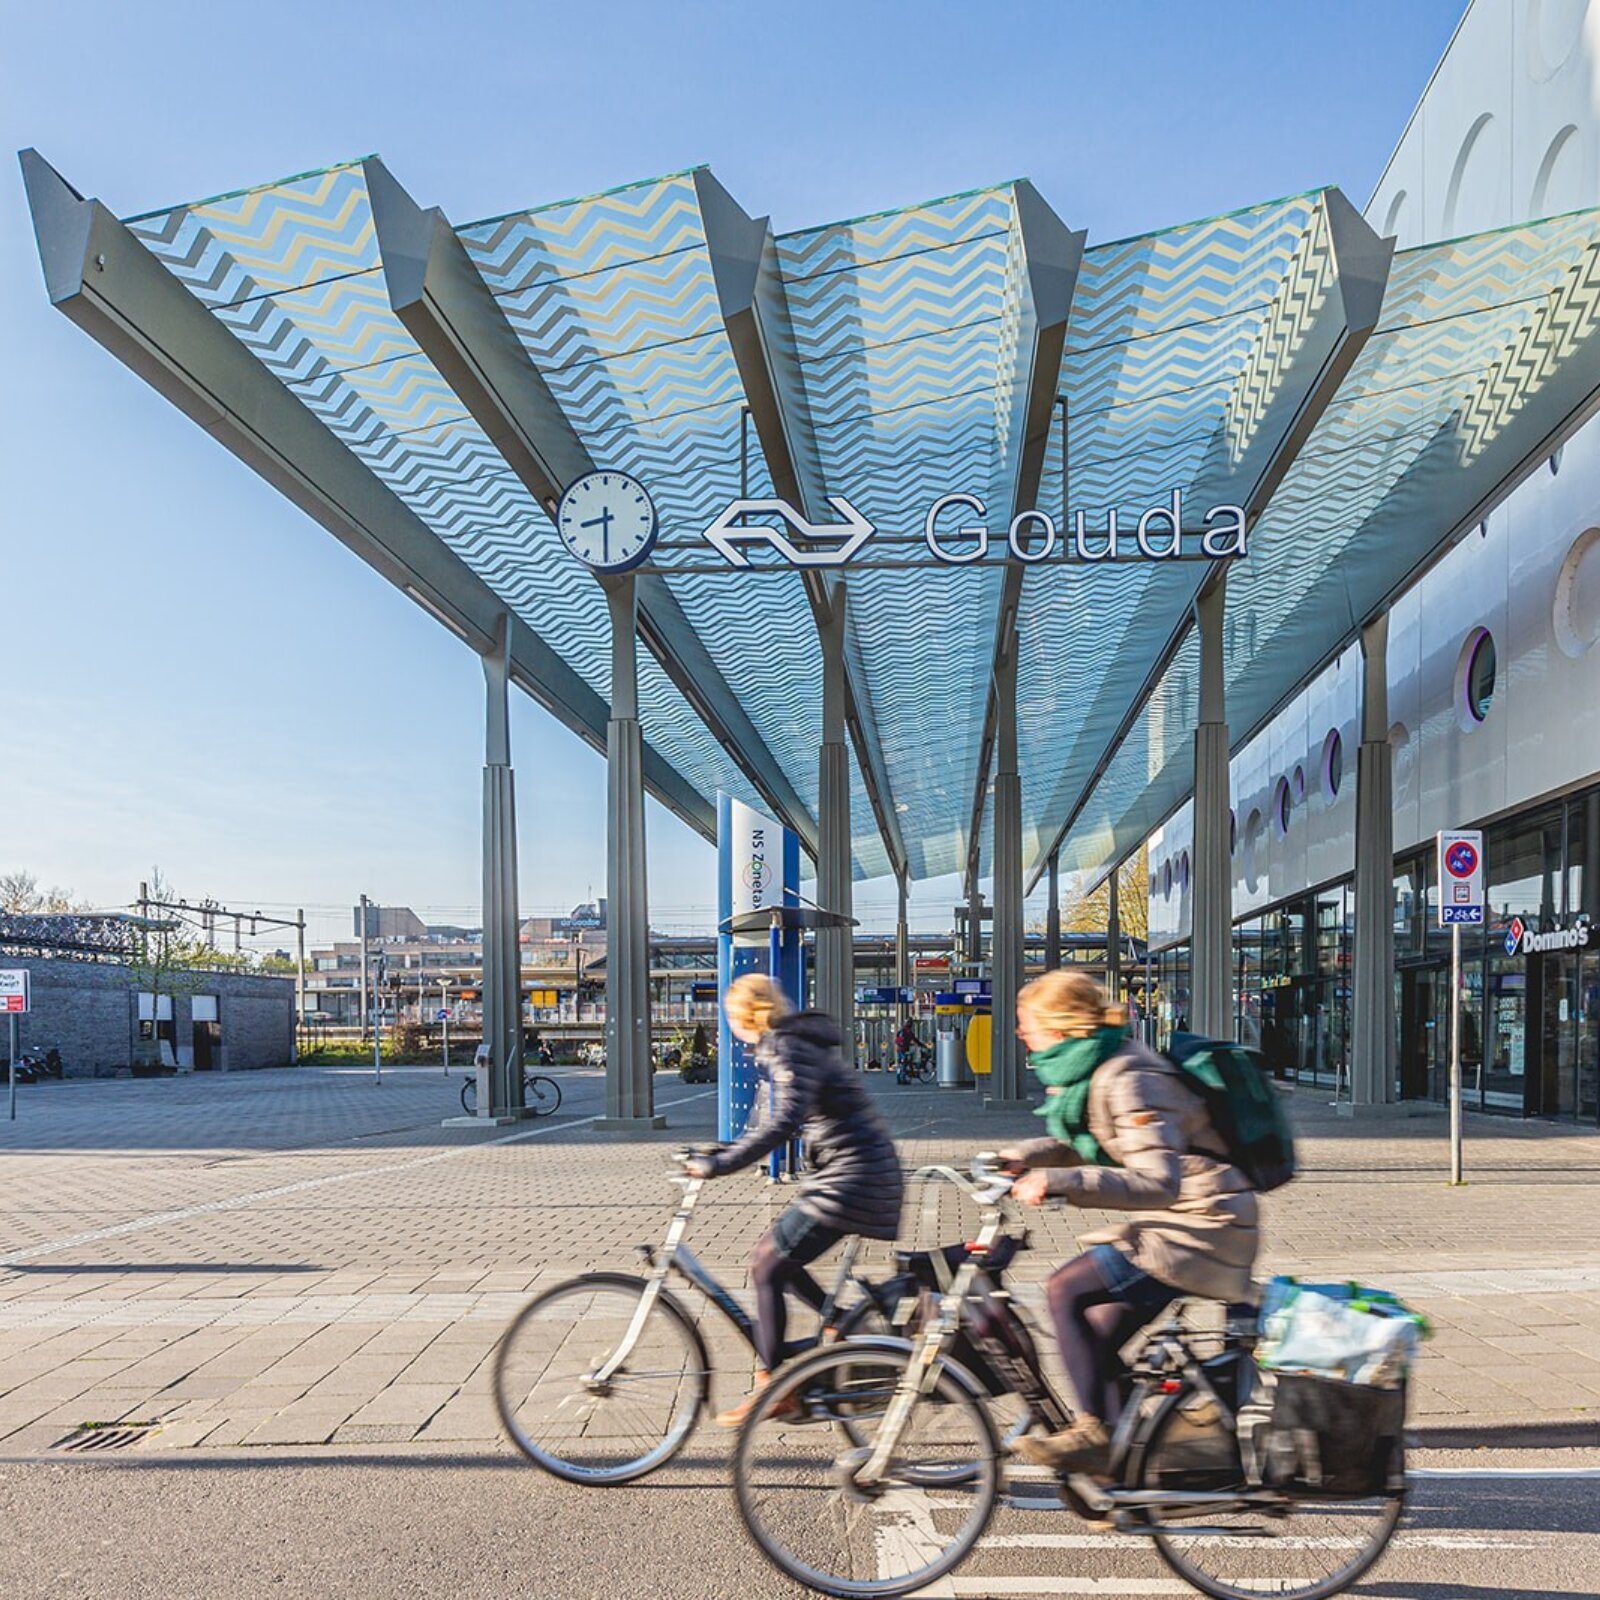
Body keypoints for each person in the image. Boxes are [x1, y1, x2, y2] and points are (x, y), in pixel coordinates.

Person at [1001, 969, 1259, 1474]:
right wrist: (1021, 1157)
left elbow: (1157, 1180)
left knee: (1064, 1291)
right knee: (1095, 1332)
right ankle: (1132, 1467)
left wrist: (1063, 1182)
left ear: (1060, 1026)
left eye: (1025, 1022)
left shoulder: (1129, 1077)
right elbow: (1094, 1143)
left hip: (1207, 1223)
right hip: (1186, 1216)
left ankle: (1098, 1436)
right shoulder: (1098, 1068)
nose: (1019, 1033)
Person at [687, 973, 904, 1425]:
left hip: (854, 1179)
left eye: (730, 1015)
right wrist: (718, 1152)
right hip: (854, 1175)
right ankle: (839, 1322)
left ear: (746, 1015)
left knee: (768, 1263)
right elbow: (765, 1121)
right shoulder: (787, 1047)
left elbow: (784, 1121)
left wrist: (723, 1166)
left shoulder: (785, 1048)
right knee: (778, 1258)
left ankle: (775, 1386)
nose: (728, 1024)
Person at [894, 1018, 923, 1083]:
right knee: (905, 1063)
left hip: (899, 1049)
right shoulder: (909, 1032)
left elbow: (897, 1040)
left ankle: (899, 1077)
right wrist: (922, 1045)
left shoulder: (900, 1031)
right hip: (905, 1049)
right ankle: (904, 1079)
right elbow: (915, 1040)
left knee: (901, 1062)